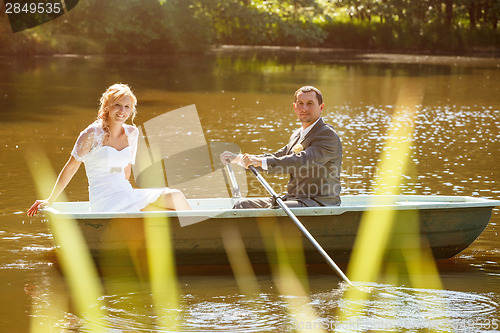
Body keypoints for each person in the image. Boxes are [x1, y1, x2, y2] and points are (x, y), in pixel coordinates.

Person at [27, 83, 191, 216]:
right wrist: (51, 199)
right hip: (105, 200)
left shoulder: (132, 133)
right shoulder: (91, 134)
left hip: (125, 194)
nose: (122, 111)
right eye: (117, 105)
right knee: (158, 212)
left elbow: (126, 173)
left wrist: (133, 197)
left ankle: (195, 233)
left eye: (127, 107)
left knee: (175, 196)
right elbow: (71, 168)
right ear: (107, 107)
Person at [220, 86, 342, 209]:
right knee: (242, 205)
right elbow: (279, 157)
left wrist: (261, 162)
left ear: (321, 107)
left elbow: (302, 160)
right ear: (295, 107)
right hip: (294, 199)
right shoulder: (297, 135)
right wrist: (239, 159)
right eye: (300, 103)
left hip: (319, 202)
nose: (304, 108)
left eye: (310, 103)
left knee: (271, 212)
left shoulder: (327, 134)